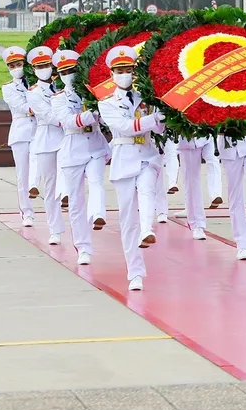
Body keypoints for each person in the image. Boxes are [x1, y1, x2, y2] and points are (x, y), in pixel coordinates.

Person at [97, 45, 167, 291]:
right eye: (120, 69)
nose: (125, 73)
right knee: (127, 219)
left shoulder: (146, 98)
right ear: (112, 73)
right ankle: (134, 272)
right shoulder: (106, 103)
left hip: (147, 154)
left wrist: (163, 117)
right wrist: (152, 120)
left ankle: (148, 230)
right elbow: (125, 127)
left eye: (129, 69)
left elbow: (159, 129)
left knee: (148, 190)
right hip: (124, 157)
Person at [50, 50, 110, 265]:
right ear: (58, 74)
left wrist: (102, 110)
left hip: (94, 143)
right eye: (64, 71)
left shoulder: (92, 92)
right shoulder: (58, 98)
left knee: (96, 181)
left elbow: (104, 118)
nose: (69, 75)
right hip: (73, 147)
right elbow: (67, 121)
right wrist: (91, 114)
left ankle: (98, 214)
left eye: (72, 70)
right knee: (75, 201)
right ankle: (83, 247)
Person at [25, 46, 66, 245]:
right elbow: (47, 115)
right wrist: (69, 120)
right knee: (50, 189)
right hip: (47, 140)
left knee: (67, 186)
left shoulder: (63, 85)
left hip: (68, 138)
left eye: (47, 65)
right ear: (33, 70)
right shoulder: (32, 93)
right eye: (39, 66)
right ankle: (54, 229)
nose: (44, 69)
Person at [1, 46, 36, 227]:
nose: (16, 68)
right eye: (12, 65)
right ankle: (27, 212)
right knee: (23, 175)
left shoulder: (37, 83)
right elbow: (23, 106)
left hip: (40, 132)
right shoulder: (8, 88)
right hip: (21, 132)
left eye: (19, 64)